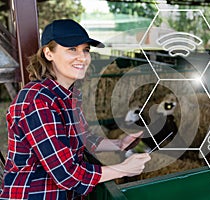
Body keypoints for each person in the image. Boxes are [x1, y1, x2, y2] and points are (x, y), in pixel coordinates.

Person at [0, 19, 151, 200]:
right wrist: (123, 169)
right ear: (49, 53)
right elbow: (66, 174)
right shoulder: (37, 101)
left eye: (85, 50)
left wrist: (117, 144)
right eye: (72, 49)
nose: (82, 57)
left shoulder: (68, 95)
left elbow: (83, 138)